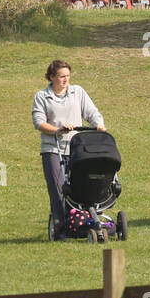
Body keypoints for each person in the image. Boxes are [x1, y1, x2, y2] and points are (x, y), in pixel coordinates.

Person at [32, 60, 105, 239]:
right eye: (62, 76)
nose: (66, 80)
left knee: (80, 186)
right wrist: (57, 131)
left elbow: (91, 112)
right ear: (52, 77)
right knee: (58, 189)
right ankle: (60, 227)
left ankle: (81, 219)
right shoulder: (42, 96)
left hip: (77, 148)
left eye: (68, 76)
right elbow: (39, 122)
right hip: (53, 148)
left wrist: (99, 124)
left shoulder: (77, 92)